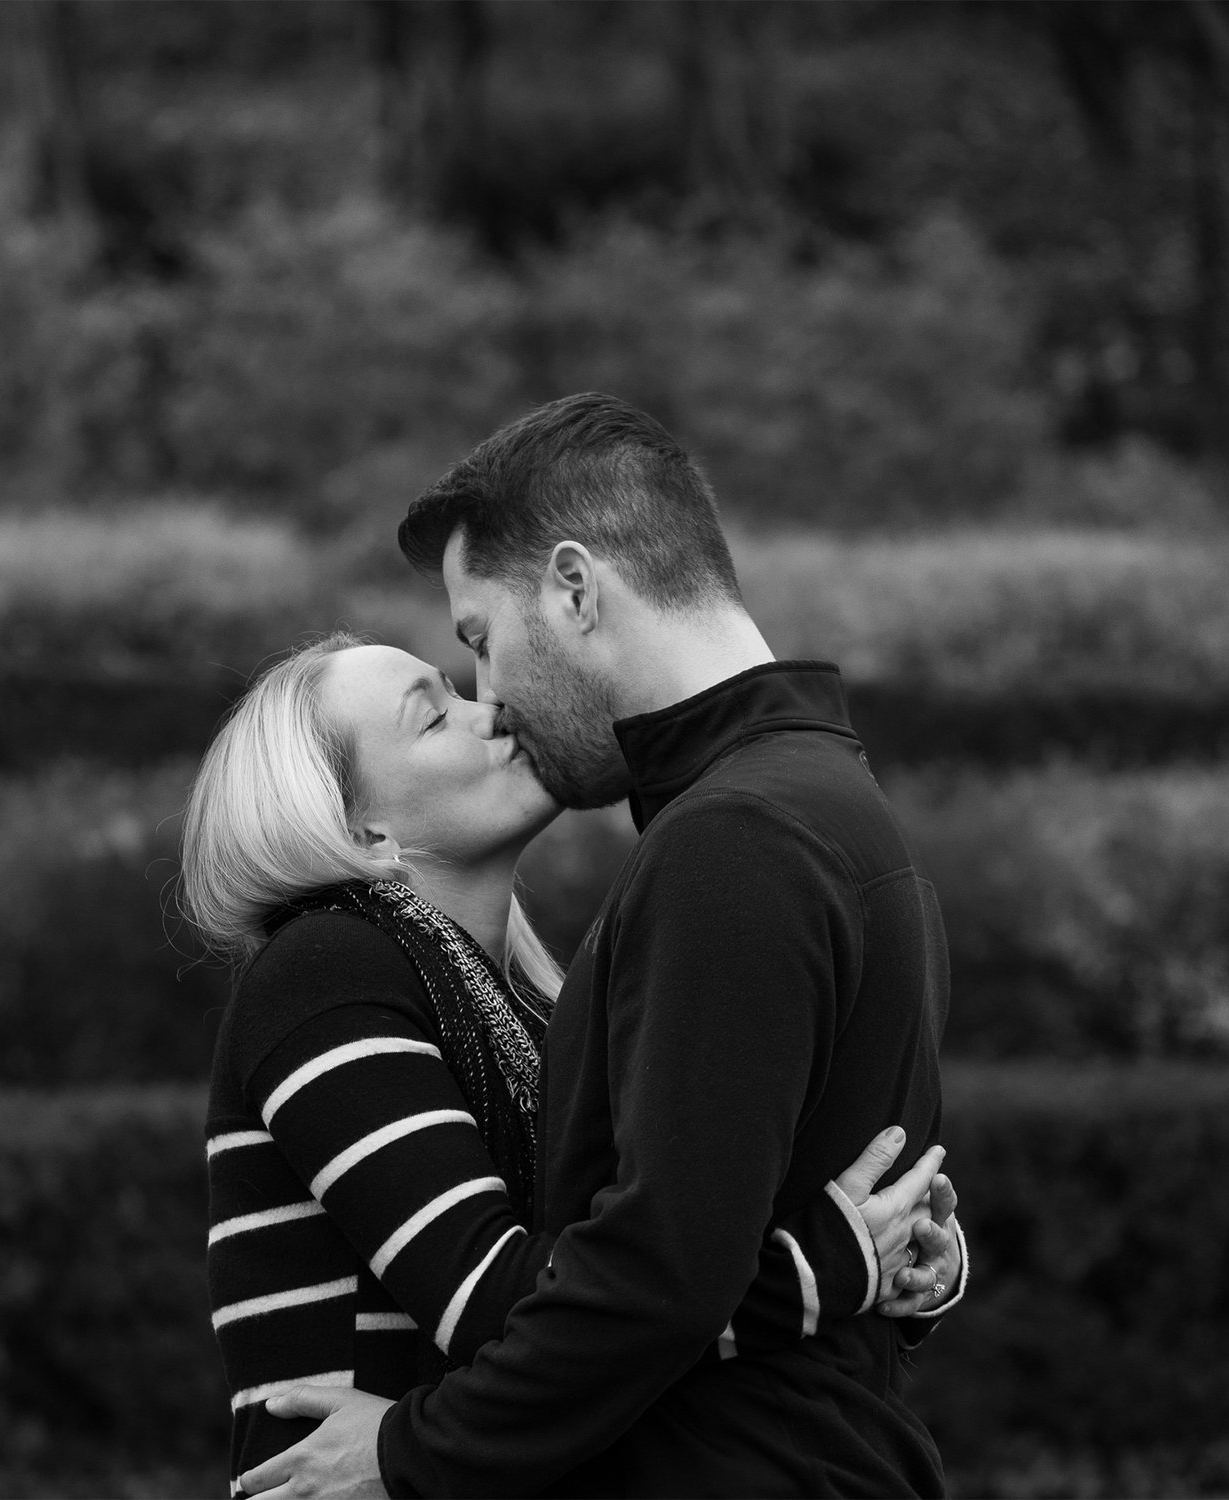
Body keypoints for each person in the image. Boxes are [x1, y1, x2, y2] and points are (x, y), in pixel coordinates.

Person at [234, 393, 967, 1497]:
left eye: (479, 643)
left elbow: (655, 1276)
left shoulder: (733, 840)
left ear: (574, 590)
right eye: (438, 703)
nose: (490, 700)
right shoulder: (817, 806)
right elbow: (641, 1263)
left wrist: (406, 1450)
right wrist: (844, 1264)